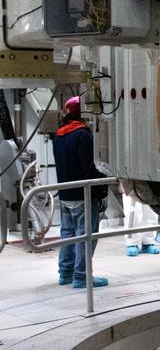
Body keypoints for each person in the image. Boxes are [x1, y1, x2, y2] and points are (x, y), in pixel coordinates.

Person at [52, 96, 109, 289]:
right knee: (86, 236)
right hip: (82, 196)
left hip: (65, 194)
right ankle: (82, 276)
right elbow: (88, 167)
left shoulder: (59, 135)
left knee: (68, 235)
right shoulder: (82, 135)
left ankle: (65, 273)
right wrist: (102, 189)